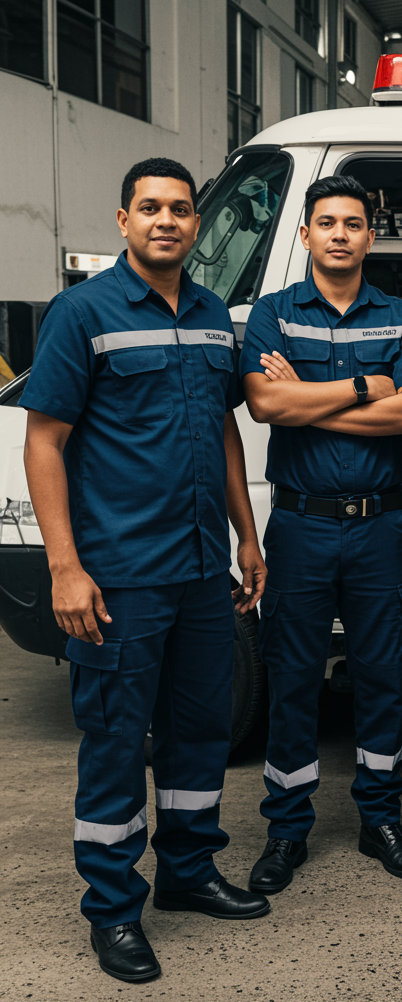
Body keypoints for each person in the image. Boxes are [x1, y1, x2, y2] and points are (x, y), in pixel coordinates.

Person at [22, 158, 270, 984]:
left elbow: (225, 431)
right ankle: (113, 910)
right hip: (121, 572)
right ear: (124, 220)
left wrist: (246, 535)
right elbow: (44, 442)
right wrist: (65, 568)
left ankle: (189, 873)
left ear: (198, 224)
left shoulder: (211, 314)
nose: (167, 220)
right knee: (118, 742)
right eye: (151, 207)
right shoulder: (80, 312)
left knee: (200, 731)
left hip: (201, 568)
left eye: (181, 208)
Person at [240, 175, 402, 893]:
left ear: (369, 237)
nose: (340, 235)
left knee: (381, 676)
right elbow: (265, 405)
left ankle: (380, 819)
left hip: (377, 526)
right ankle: (286, 829)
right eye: (326, 223)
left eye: (353, 224)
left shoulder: (400, 316)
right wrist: (363, 387)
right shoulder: (273, 313)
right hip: (301, 526)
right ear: (306, 234)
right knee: (293, 678)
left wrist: (307, 400)